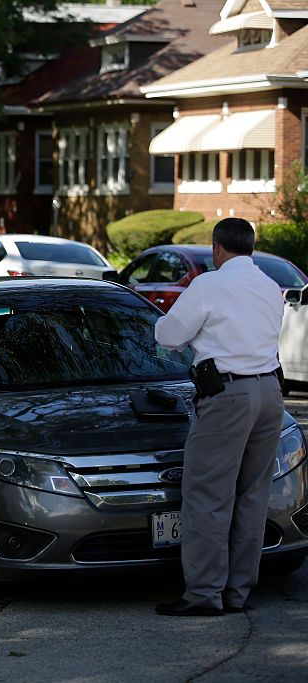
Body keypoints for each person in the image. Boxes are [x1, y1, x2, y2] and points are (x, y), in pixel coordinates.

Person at [153, 217, 285, 617]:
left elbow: (168, 335)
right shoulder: (270, 286)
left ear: (216, 249)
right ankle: (238, 593)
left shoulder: (208, 285)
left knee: (209, 496)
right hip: (270, 393)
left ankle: (204, 594)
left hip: (228, 395)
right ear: (250, 246)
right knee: (252, 495)